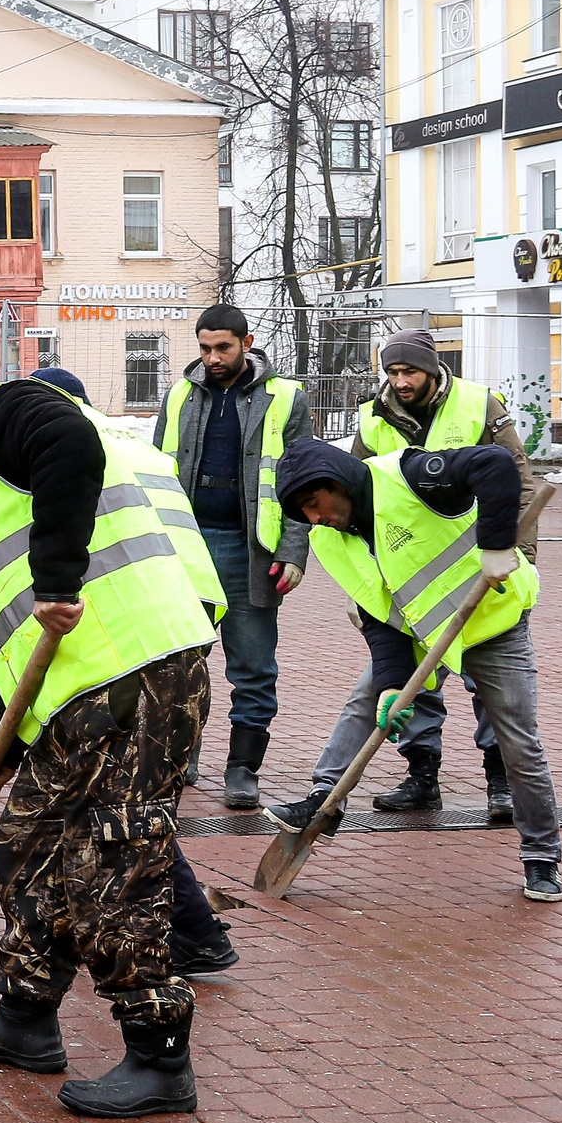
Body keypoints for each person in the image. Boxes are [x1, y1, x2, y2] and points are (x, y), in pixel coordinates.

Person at [0, 369, 217, 1117]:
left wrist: (59, 578)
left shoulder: (6, 412)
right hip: (78, 691)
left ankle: (158, 1053)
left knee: (110, 866)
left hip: (131, 678)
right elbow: (26, 634)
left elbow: (67, 446)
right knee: (26, 846)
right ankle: (25, 1017)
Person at [264, 438, 562, 901]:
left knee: (518, 741)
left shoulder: (413, 477)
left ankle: (541, 857)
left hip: (494, 626)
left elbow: (495, 463)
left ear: (336, 482)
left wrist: (497, 544)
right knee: (366, 703)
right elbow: (378, 617)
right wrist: (390, 685)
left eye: (313, 503)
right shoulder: (330, 539)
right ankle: (324, 802)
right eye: (303, 512)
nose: (313, 518)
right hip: (425, 637)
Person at [339, 329, 537, 820]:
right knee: (415, 680)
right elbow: (357, 498)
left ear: (432, 368)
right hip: (410, 574)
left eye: (410, 371)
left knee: (486, 680)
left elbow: (521, 481)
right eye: (392, 372)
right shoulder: (372, 417)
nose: (400, 381)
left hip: (477, 568)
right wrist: (363, 585)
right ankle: (422, 775)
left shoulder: (478, 405)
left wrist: (519, 554)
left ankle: (500, 781)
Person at [152, 305, 311, 810]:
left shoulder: (285, 397)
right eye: (204, 348)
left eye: (222, 347)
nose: (213, 358)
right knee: (180, 661)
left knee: (253, 666)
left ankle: (243, 769)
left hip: (252, 552)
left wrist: (292, 551)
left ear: (247, 342)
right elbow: (156, 469)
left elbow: (302, 479)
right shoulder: (180, 394)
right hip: (187, 547)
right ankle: (183, 754)